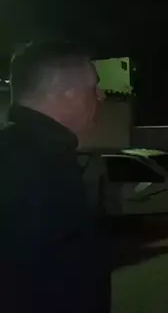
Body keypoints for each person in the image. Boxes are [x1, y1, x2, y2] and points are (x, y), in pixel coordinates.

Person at [0, 42, 108, 313]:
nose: (101, 96)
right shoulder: (32, 165)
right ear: (66, 91)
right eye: (93, 87)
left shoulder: (40, 156)